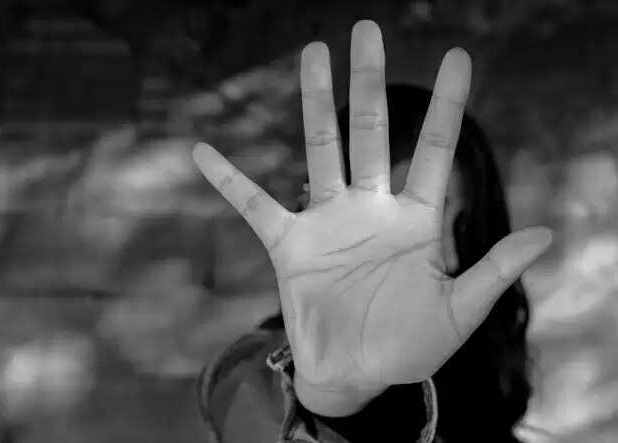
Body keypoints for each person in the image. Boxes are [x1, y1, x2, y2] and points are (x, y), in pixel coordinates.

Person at [193, 20, 553, 442]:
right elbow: (250, 407)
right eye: (417, 222)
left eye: (463, 225)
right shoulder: (255, 378)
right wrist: (336, 404)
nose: (453, 256)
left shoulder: (477, 373)